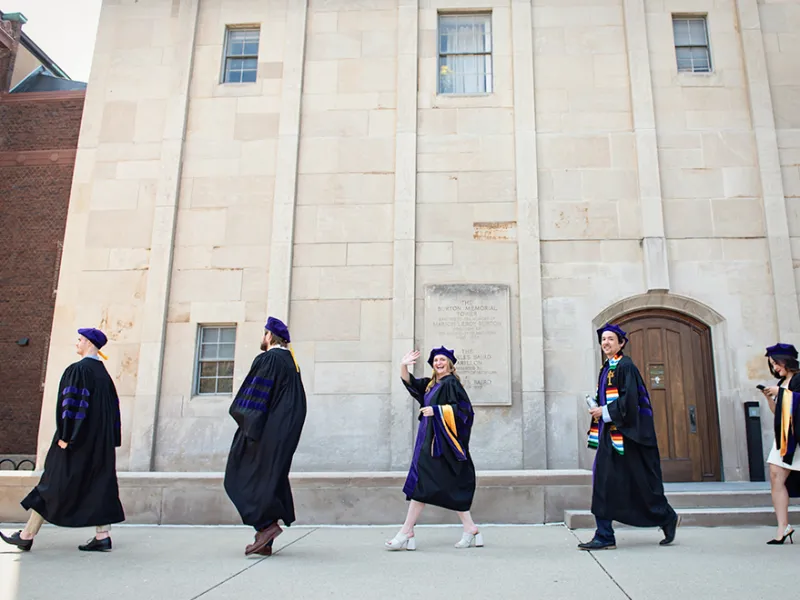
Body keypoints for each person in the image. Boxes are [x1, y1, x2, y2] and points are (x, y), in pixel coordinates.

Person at [1, 328, 124, 552]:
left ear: (88, 342)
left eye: (79, 339)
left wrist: (67, 436)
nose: (77, 343)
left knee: (52, 483)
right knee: (99, 485)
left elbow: (72, 406)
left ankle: (27, 535)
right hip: (100, 444)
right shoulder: (104, 375)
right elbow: (113, 412)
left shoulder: (79, 370)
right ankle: (102, 535)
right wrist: (111, 440)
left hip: (77, 442)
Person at [579, 323, 679, 551]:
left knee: (636, 484)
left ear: (621, 343)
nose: (606, 343)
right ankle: (605, 533)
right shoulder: (607, 367)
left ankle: (664, 517)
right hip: (612, 433)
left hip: (627, 437)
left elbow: (630, 402)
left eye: (611, 339)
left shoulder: (625, 366)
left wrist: (603, 412)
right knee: (605, 482)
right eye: (603, 339)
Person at [224, 317, 307, 557]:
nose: (262, 338)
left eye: (264, 334)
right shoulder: (291, 363)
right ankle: (264, 537)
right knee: (268, 480)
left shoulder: (269, 359)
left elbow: (252, 401)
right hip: (281, 434)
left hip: (263, 432)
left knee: (238, 477)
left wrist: (248, 427)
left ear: (270, 336)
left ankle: (266, 527)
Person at [385, 346, 481, 551]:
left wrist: (437, 410)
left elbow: (465, 411)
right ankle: (470, 527)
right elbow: (409, 382)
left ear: (450, 364)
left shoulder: (451, 384)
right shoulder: (431, 384)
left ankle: (406, 532)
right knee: (447, 483)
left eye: (442, 360)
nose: (438, 363)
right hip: (428, 440)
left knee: (422, 483)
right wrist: (403, 365)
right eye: (436, 360)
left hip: (440, 444)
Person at [760, 343, 800, 545]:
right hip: (784, 438)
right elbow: (781, 413)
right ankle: (783, 526)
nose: (775, 368)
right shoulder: (783, 382)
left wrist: (782, 393)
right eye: (772, 365)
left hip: (797, 439)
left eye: (776, 363)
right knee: (775, 476)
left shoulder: (799, 379)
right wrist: (770, 399)